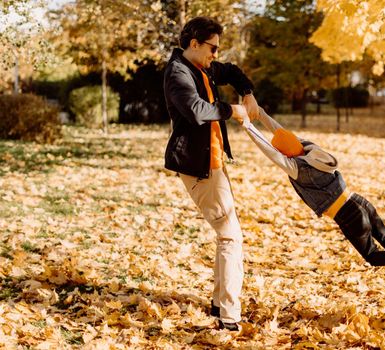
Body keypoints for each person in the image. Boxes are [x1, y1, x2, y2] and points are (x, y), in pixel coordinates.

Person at [237, 108, 385, 286]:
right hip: (359, 201)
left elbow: (268, 150)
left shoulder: (297, 168)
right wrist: (261, 114)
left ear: (286, 154)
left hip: (347, 215)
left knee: (371, 255)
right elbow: (279, 130)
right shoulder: (310, 149)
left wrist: (248, 125)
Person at [163, 16, 259, 331]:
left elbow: (231, 71)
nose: (216, 54)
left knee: (227, 234)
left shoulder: (203, 67)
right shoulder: (179, 74)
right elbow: (196, 110)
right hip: (198, 167)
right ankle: (229, 316)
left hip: (214, 162)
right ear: (194, 43)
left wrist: (247, 92)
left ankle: (220, 305)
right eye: (212, 48)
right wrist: (231, 110)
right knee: (231, 236)